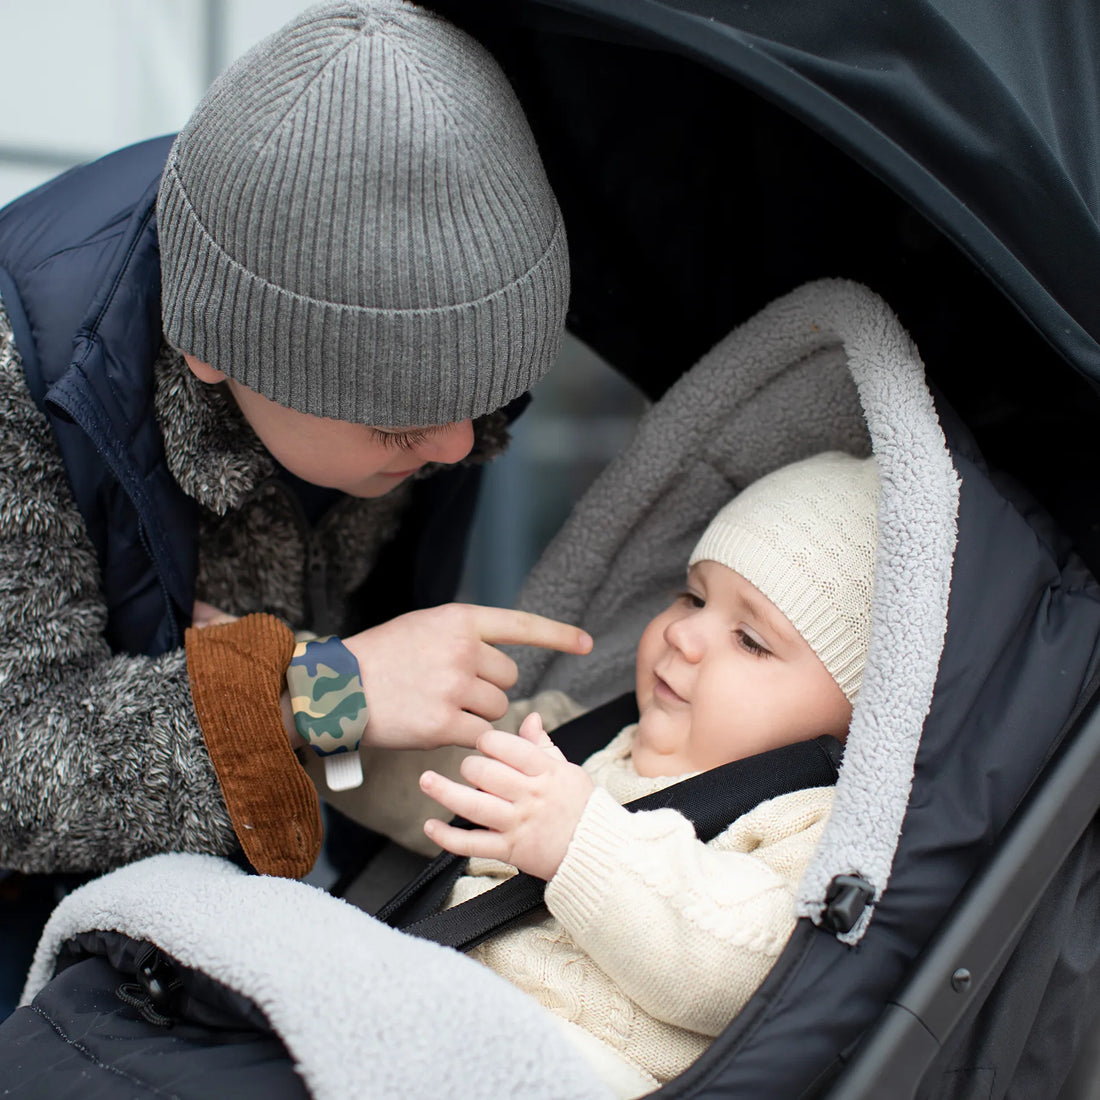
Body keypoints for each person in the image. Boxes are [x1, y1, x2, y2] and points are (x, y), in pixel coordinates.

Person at [0, 0, 586, 1010]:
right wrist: (324, 692)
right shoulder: (23, 368)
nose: (457, 447)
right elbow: (14, 762)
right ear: (210, 346)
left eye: (484, 397)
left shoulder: (435, 374)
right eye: (398, 421)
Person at [316, 450, 880, 1097]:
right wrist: (310, 701)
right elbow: (414, 765)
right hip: (426, 1007)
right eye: (692, 597)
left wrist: (582, 844)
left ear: (853, 719)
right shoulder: (578, 739)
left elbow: (751, 968)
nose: (685, 634)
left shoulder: (813, 824)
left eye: (750, 640)